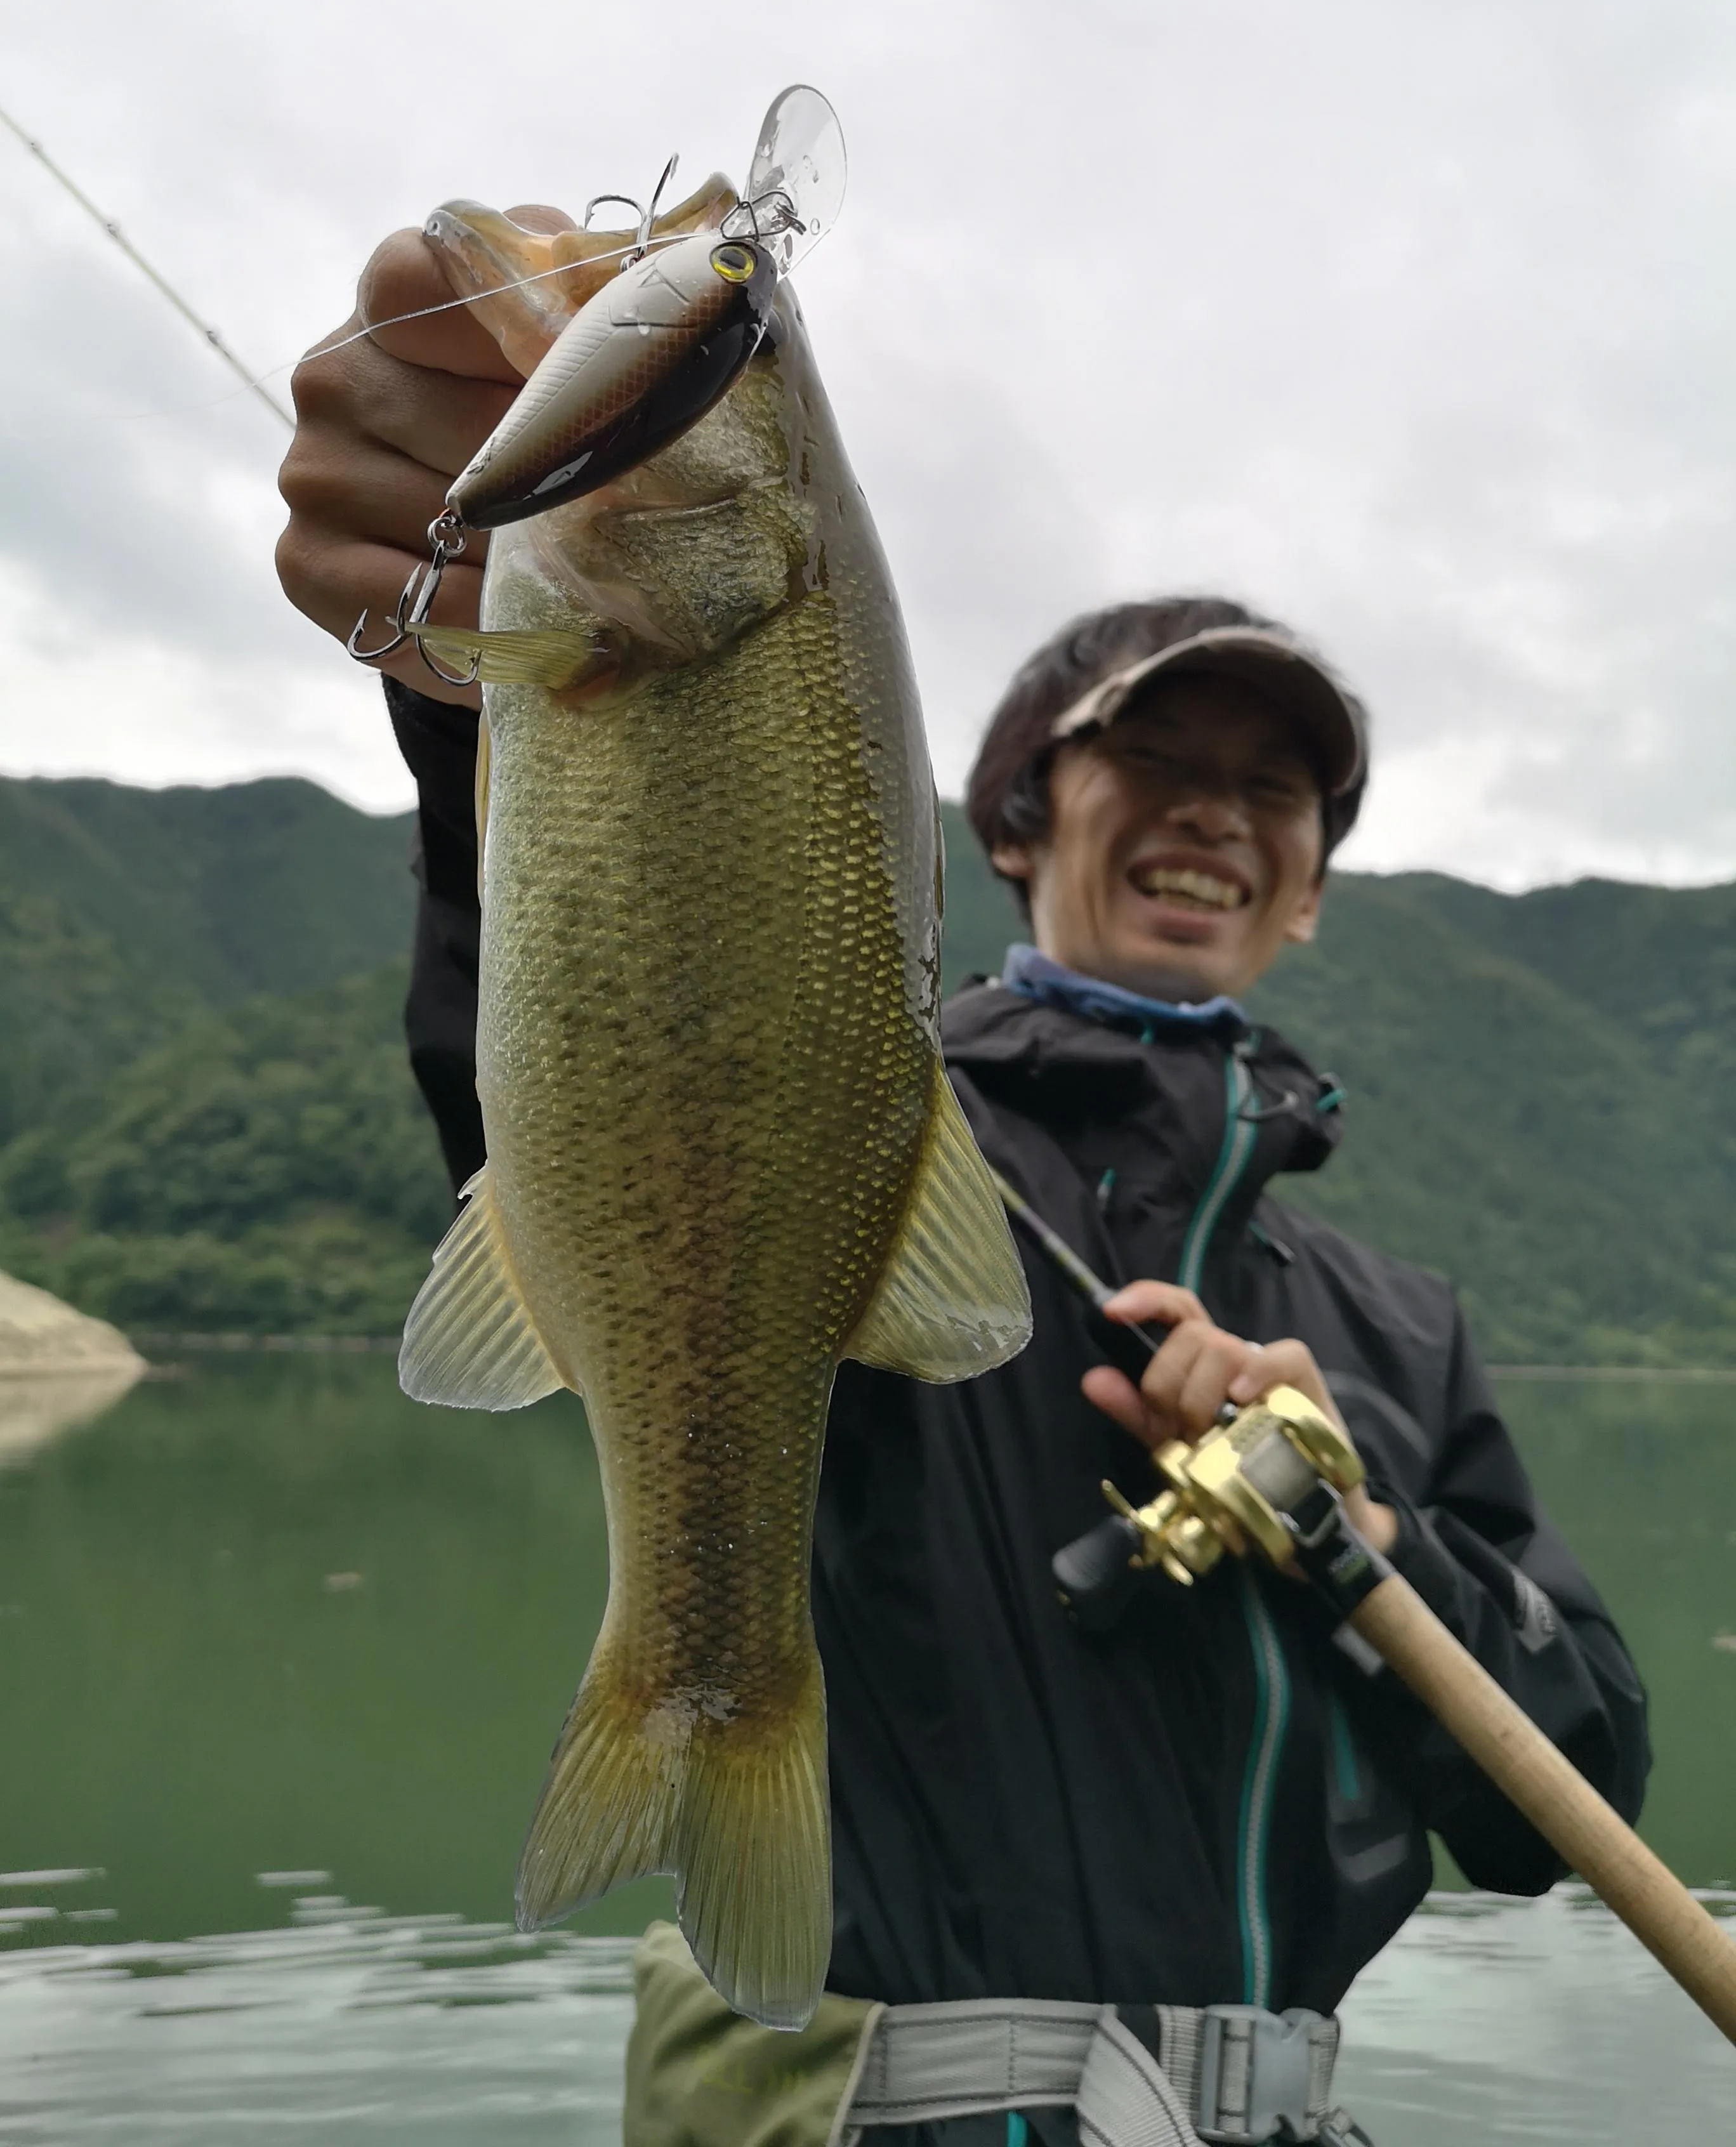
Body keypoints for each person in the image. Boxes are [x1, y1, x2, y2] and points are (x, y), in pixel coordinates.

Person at [277, 226, 1650, 2147]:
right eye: (1150, 755)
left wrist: (1365, 1530)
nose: (1211, 816)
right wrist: (464, 704)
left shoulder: (1389, 1329)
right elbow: (582, 1057)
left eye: (1276, 793)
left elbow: (1570, 1794)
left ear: (1317, 882)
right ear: (1013, 820)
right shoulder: (877, 1122)